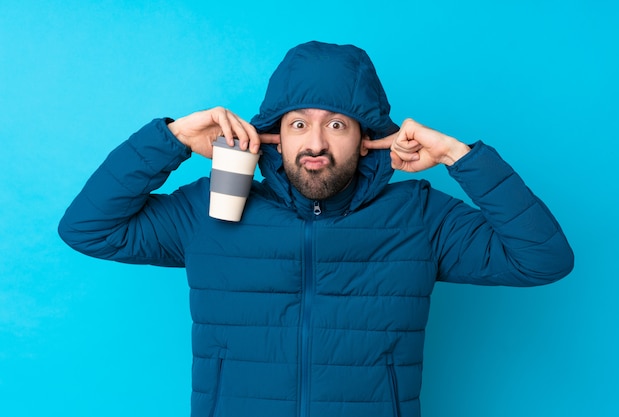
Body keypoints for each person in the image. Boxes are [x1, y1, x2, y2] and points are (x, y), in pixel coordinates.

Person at [58, 41, 574, 417]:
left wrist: (460, 159)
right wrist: (170, 139)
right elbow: (88, 228)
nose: (316, 143)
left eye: (338, 124)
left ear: (368, 138)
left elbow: (543, 258)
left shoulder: (420, 217)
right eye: (299, 123)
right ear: (274, 137)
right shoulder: (206, 212)